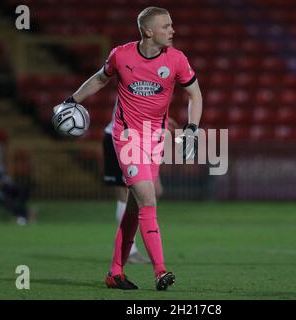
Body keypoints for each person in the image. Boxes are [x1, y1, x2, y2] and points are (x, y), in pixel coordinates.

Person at [59, 6, 202, 290]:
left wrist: (192, 129)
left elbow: (195, 94)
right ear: (149, 31)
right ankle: (160, 271)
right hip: (126, 138)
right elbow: (100, 78)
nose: (172, 30)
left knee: (135, 207)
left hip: (155, 139)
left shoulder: (176, 60)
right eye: (166, 26)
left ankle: (115, 272)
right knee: (149, 199)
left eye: (171, 25)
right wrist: (72, 100)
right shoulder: (121, 55)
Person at [103, 116, 180, 265]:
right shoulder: (127, 92)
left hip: (143, 136)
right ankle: (130, 252)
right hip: (121, 136)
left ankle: (124, 247)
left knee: (154, 192)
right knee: (124, 194)